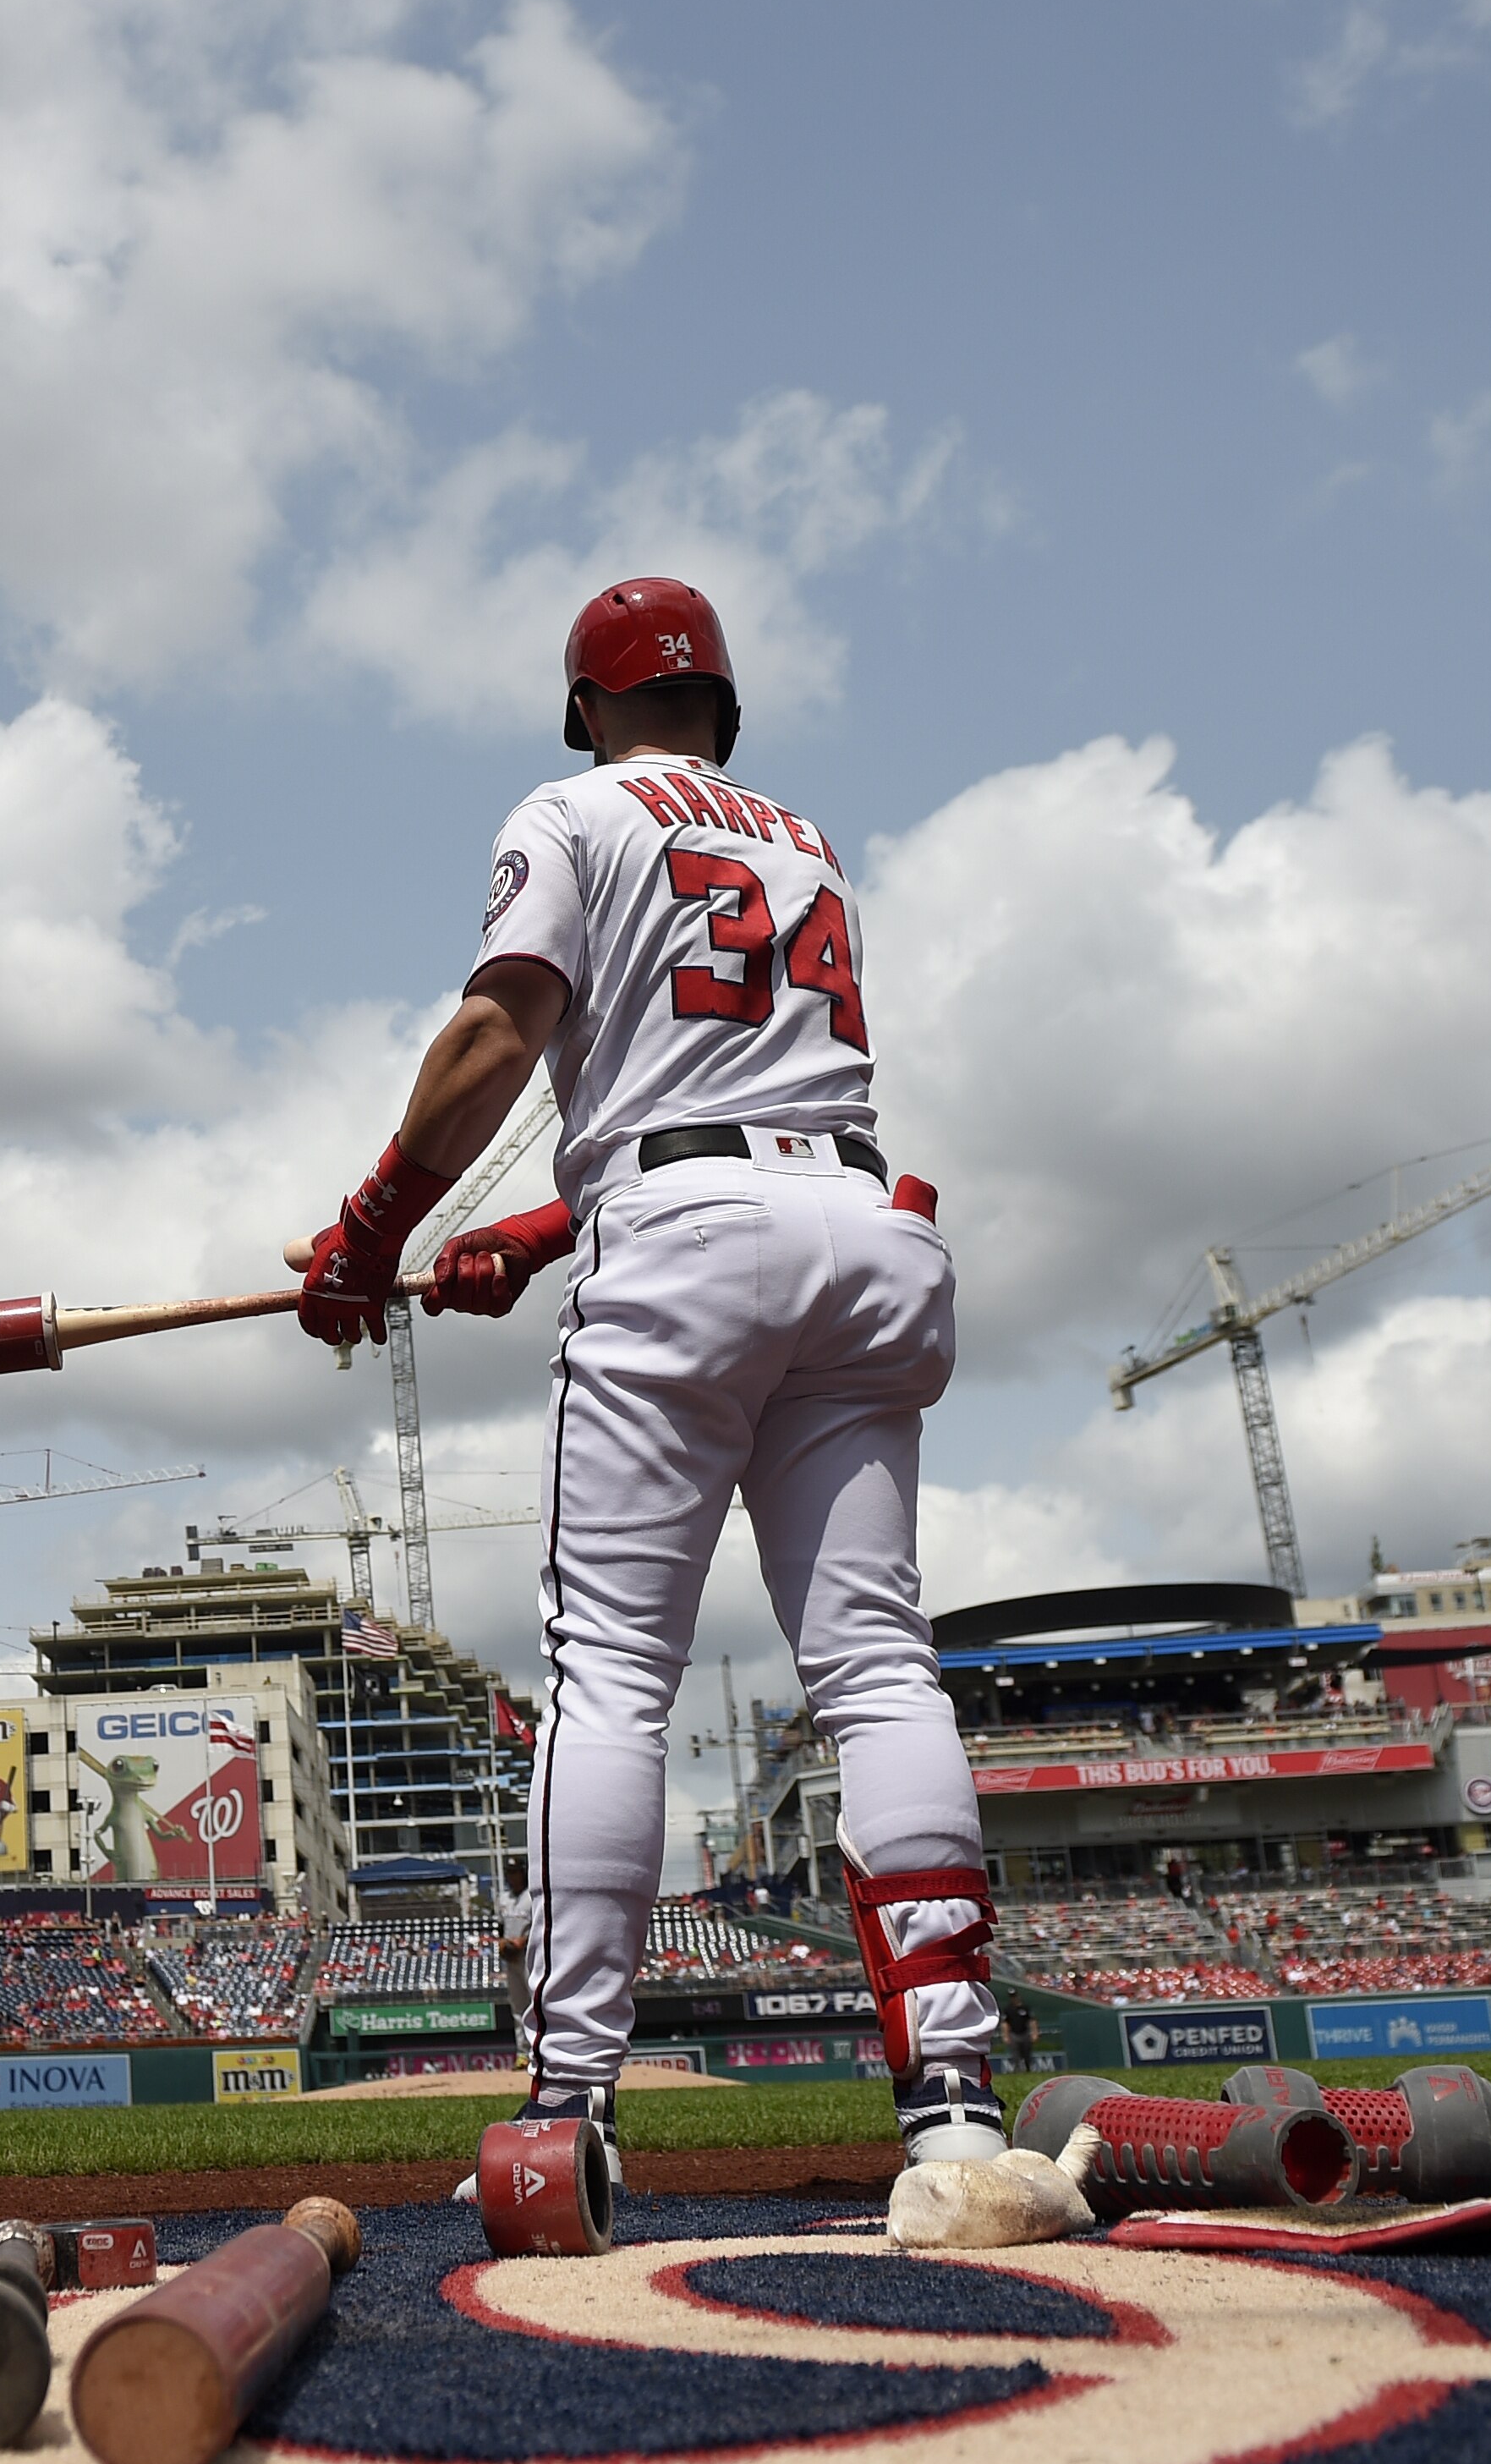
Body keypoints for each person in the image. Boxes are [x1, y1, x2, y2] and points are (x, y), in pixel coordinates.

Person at [295, 577, 1002, 2177]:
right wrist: (547, 1227)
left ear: (586, 706)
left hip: (690, 1236)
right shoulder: (804, 838)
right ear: (725, 706)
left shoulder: (572, 806)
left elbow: (501, 1034)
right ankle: (954, 2097)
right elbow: (742, 1103)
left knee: (612, 1666)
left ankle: (571, 2103)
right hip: (864, 1227)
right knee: (880, 1665)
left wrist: (372, 1228)